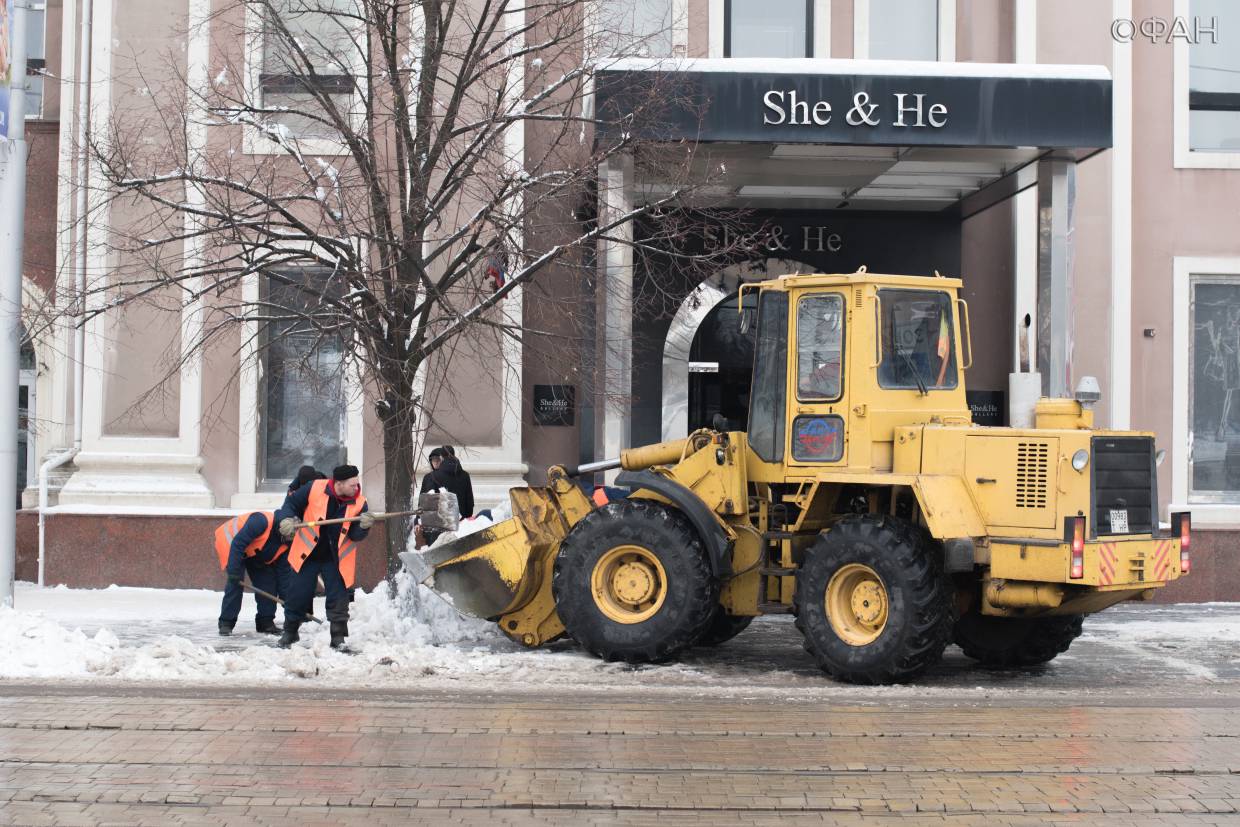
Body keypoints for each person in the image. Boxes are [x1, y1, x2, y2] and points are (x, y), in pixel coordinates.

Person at [277, 464, 375, 649]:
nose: (357, 488)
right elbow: (291, 504)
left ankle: (338, 638)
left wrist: (363, 526)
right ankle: (290, 633)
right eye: (352, 485)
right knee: (297, 594)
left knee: (339, 597)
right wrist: (287, 519)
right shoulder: (314, 488)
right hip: (307, 554)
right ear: (339, 483)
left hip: (335, 558)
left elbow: (355, 536)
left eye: (357, 484)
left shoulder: (360, 503)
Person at [214, 511, 293, 636]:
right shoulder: (261, 521)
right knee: (236, 583)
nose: (286, 542)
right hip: (231, 542)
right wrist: (234, 572)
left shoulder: (286, 544)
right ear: (279, 531)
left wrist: (289, 602)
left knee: (267, 581)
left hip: (253, 549)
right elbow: (238, 544)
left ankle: (265, 622)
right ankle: (226, 623)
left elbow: (284, 575)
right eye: (285, 539)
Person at [420, 445, 474, 519]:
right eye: (433, 459)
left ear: (441, 458)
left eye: (437, 459)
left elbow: (425, 503)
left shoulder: (431, 476)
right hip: (462, 523)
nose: (435, 462)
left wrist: (419, 520)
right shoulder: (465, 475)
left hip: (440, 523)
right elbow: (469, 503)